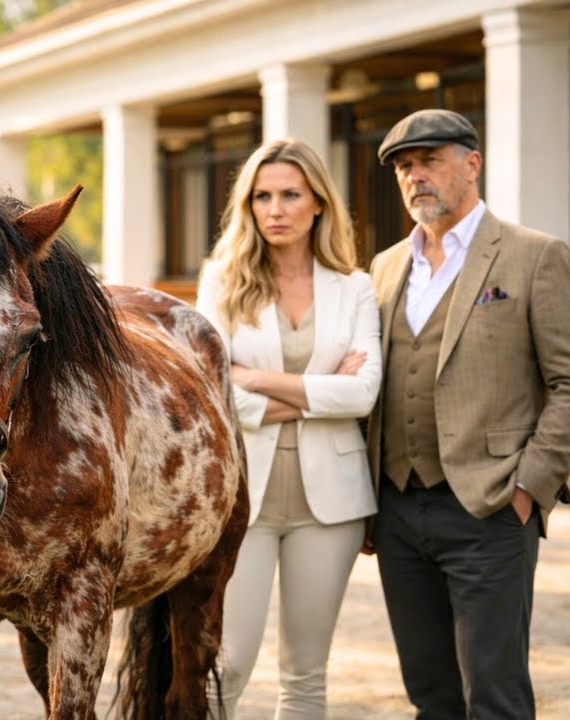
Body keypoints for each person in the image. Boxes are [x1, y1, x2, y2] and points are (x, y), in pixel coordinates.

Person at [366, 108, 570, 719]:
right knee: (431, 697)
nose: (415, 176)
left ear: (472, 164)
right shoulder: (385, 268)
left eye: (429, 160)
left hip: (491, 508)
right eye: (404, 166)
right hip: (398, 510)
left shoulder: (535, 256)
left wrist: (527, 488)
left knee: (495, 699)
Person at [196, 138, 382, 719]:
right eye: (262, 197)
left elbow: (364, 393)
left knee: (305, 673)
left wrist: (255, 379)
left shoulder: (355, 287)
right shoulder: (221, 281)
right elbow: (210, 390)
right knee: (226, 664)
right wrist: (321, 392)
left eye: (291, 195)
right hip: (239, 498)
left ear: (319, 203)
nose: (275, 209)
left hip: (332, 505)